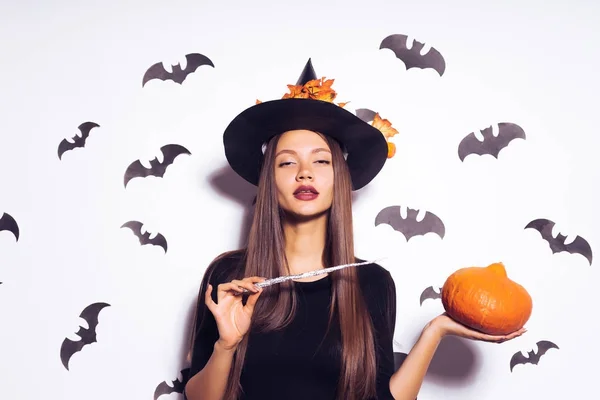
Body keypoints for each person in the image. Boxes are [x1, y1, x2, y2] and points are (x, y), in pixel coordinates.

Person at [183, 59, 525, 400]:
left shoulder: (371, 282)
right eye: (287, 162)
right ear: (269, 180)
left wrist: (436, 330)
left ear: (340, 180)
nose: (304, 173)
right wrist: (226, 345)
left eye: (321, 160)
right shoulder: (229, 277)